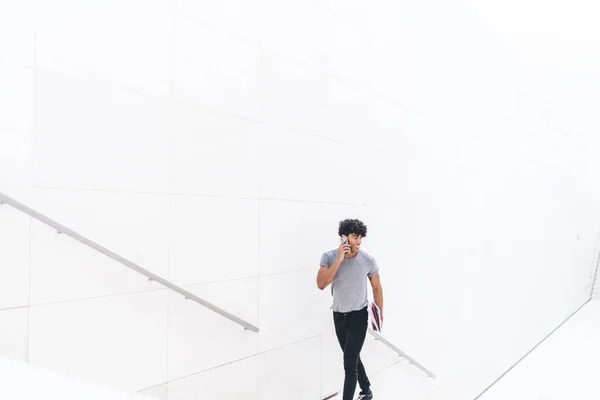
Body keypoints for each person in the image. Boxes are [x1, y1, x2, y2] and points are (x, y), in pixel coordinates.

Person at [317, 218, 384, 400]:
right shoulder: (329, 257)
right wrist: (339, 259)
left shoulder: (368, 260)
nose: (359, 241)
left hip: (358, 317)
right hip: (339, 316)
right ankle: (367, 390)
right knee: (352, 358)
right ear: (343, 237)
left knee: (349, 363)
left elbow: (377, 288)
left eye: (360, 237)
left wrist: (379, 316)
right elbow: (321, 284)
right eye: (355, 237)